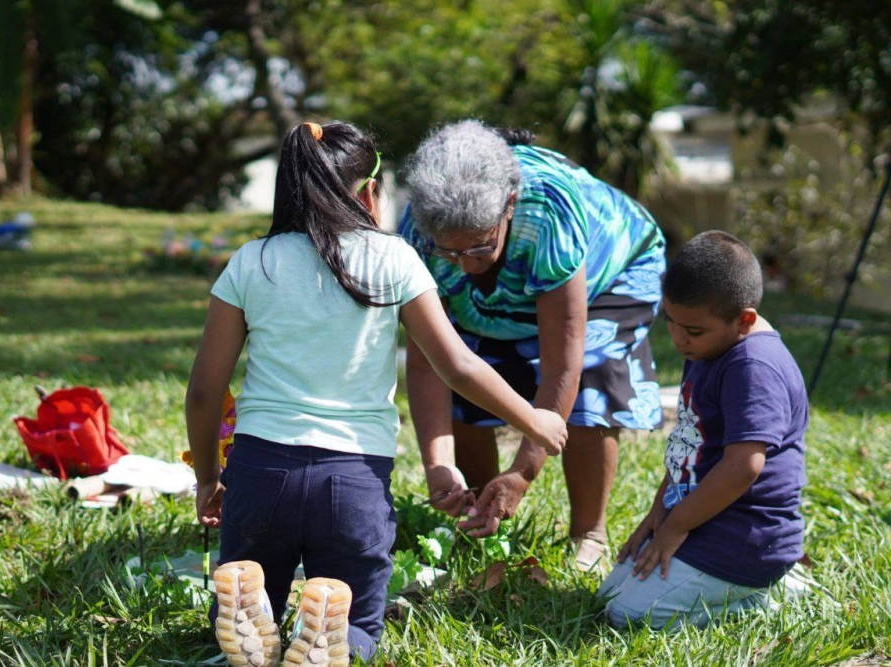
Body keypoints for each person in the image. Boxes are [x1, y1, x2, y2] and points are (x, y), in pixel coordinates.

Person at [186, 121, 567, 667]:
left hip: (260, 470)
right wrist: (533, 419)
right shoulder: (393, 259)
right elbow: (456, 365)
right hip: (353, 479)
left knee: (255, 597)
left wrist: (208, 477)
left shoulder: (253, 261)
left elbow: (204, 389)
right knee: (359, 619)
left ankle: (260, 616)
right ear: (370, 192)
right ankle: (336, 641)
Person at [398, 120, 666, 571]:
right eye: (450, 253)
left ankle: (589, 533)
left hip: (611, 274)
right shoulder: (419, 231)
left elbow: (564, 363)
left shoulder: (547, 208)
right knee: (471, 368)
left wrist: (523, 472)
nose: (463, 268)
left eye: (479, 249)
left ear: (508, 205)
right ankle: (480, 513)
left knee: (592, 376)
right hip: (513, 283)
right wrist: (438, 464)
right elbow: (432, 364)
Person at [598, 230, 809, 629]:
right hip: (703, 517)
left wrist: (676, 527)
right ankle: (743, 589)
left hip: (745, 538)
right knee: (607, 597)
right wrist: (658, 514)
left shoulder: (753, 367)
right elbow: (690, 445)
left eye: (692, 331)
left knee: (628, 617)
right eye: (671, 323)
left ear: (744, 320)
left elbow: (743, 466)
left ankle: (765, 598)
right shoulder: (709, 344)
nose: (678, 339)